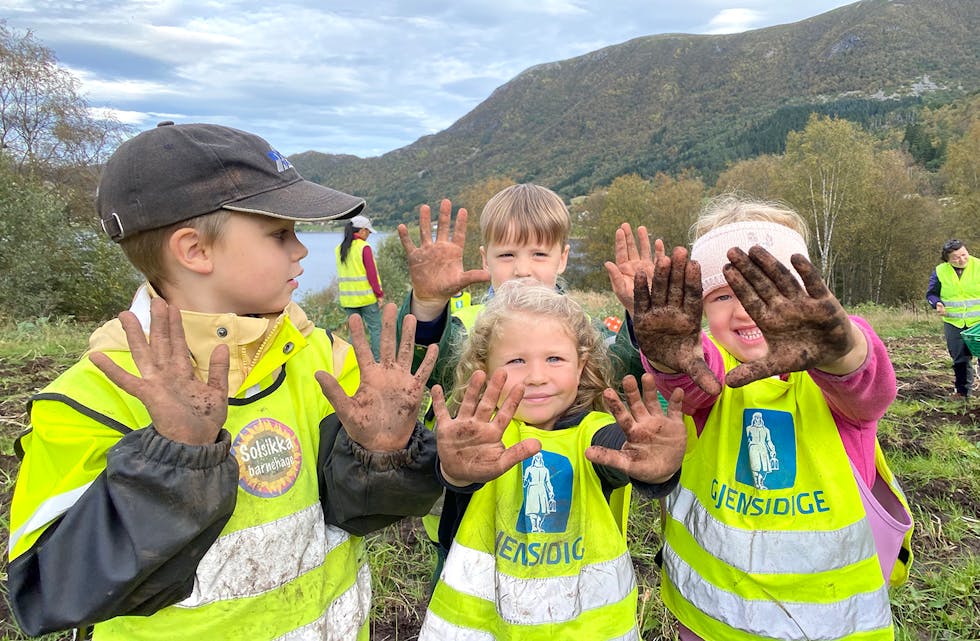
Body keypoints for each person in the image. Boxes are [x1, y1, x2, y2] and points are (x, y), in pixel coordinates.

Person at [6, 122, 442, 640]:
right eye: (280, 234)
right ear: (195, 251)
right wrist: (175, 460)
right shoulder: (91, 398)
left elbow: (359, 513)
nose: (301, 250)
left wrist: (385, 455)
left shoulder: (322, 360)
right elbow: (51, 591)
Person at [627, 195, 914, 641]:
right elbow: (689, 383)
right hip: (713, 617)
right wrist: (667, 361)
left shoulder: (833, 374)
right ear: (701, 308)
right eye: (724, 295)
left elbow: (868, 383)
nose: (745, 310)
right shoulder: (713, 368)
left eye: (765, 292)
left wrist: (840, 349)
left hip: (830, 623)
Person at [395, 184, 647, 574]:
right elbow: (421, 368)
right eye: (507, 254)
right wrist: (428, 307)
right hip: (472, 531)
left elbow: (624, 374)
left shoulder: (585, 333)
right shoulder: (463, 329)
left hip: (575, 530)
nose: (523, 269)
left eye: (539, 254)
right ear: (485, 258)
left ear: (563, 258)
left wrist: (639, 318)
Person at [418, 279, 687, 640]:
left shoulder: (593, 432)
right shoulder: (477, 436)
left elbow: (620, 451)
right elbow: (453, 477)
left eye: (555, 359)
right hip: (483, 627)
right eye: (516, 360)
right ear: (482, 366)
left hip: (587, 628)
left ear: (580, 367)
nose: (537, 377)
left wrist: (655, 463)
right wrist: (456, 470)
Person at [926, 238, 980, 399]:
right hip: (954, 322)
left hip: (977, 322)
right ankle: (963, 393)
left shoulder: (978, 265)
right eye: (956, 257)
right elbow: (931, 294)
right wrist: (937, 304)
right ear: (947, 260)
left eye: (964, 254)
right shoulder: (940, 271)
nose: (962, 259)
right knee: (960, 359)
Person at [336, 213, 384, 359]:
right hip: (366, 298)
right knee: (376, 329)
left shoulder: (340, 249)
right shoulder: (364, 247)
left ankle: (352, 361)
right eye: (368, 231)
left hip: (348, 299)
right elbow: (372, 275)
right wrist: (379, 295)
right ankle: (377, 361)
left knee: (354, 331)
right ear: (362, 230)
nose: (368, 234)